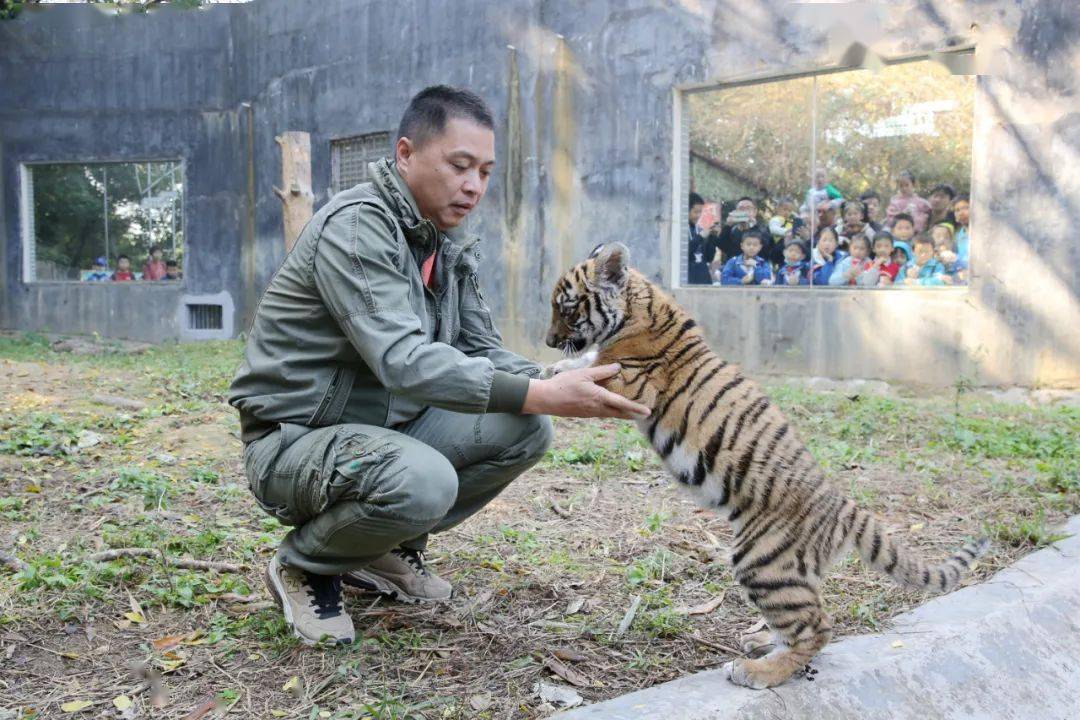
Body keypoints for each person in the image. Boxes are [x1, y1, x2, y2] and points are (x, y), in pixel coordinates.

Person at [228, 86, 650, 646]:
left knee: (523, 428)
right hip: (295, 442)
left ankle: (374, 549)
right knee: (424, 482)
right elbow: (404, 362)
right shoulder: (357, 228)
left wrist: (554, 379)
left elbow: (481, 349)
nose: (473, 185)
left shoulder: (445, 241)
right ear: (405, 154)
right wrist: (542, 392)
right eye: (459, 165)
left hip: (383, 431)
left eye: (484, 170)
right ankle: (306, 562)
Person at [717, 197, 775, 266]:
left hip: (758, 268)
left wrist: (753, 226)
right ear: (736, 211)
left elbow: (768, 248)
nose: (744, 211)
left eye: (748, 208)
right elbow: (722, 246)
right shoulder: (732, 230)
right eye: (741, 208)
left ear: (755, 211)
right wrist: (728, 226)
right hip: (735, 270)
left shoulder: (763, 229)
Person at [687, 192, 717, 285]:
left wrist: (712, 238)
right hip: (687, 282)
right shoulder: (678, 231)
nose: (698, 215)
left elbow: (709, 258)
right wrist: (700, 237)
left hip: (704, 280)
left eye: (701, 212)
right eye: (696, 212)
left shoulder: (699, 229)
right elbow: (684, 253)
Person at [952, 195, 970, 265]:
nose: (961, 213)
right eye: (957, 210)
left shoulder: (983, 232)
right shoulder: (958, 236)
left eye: (965, 208)